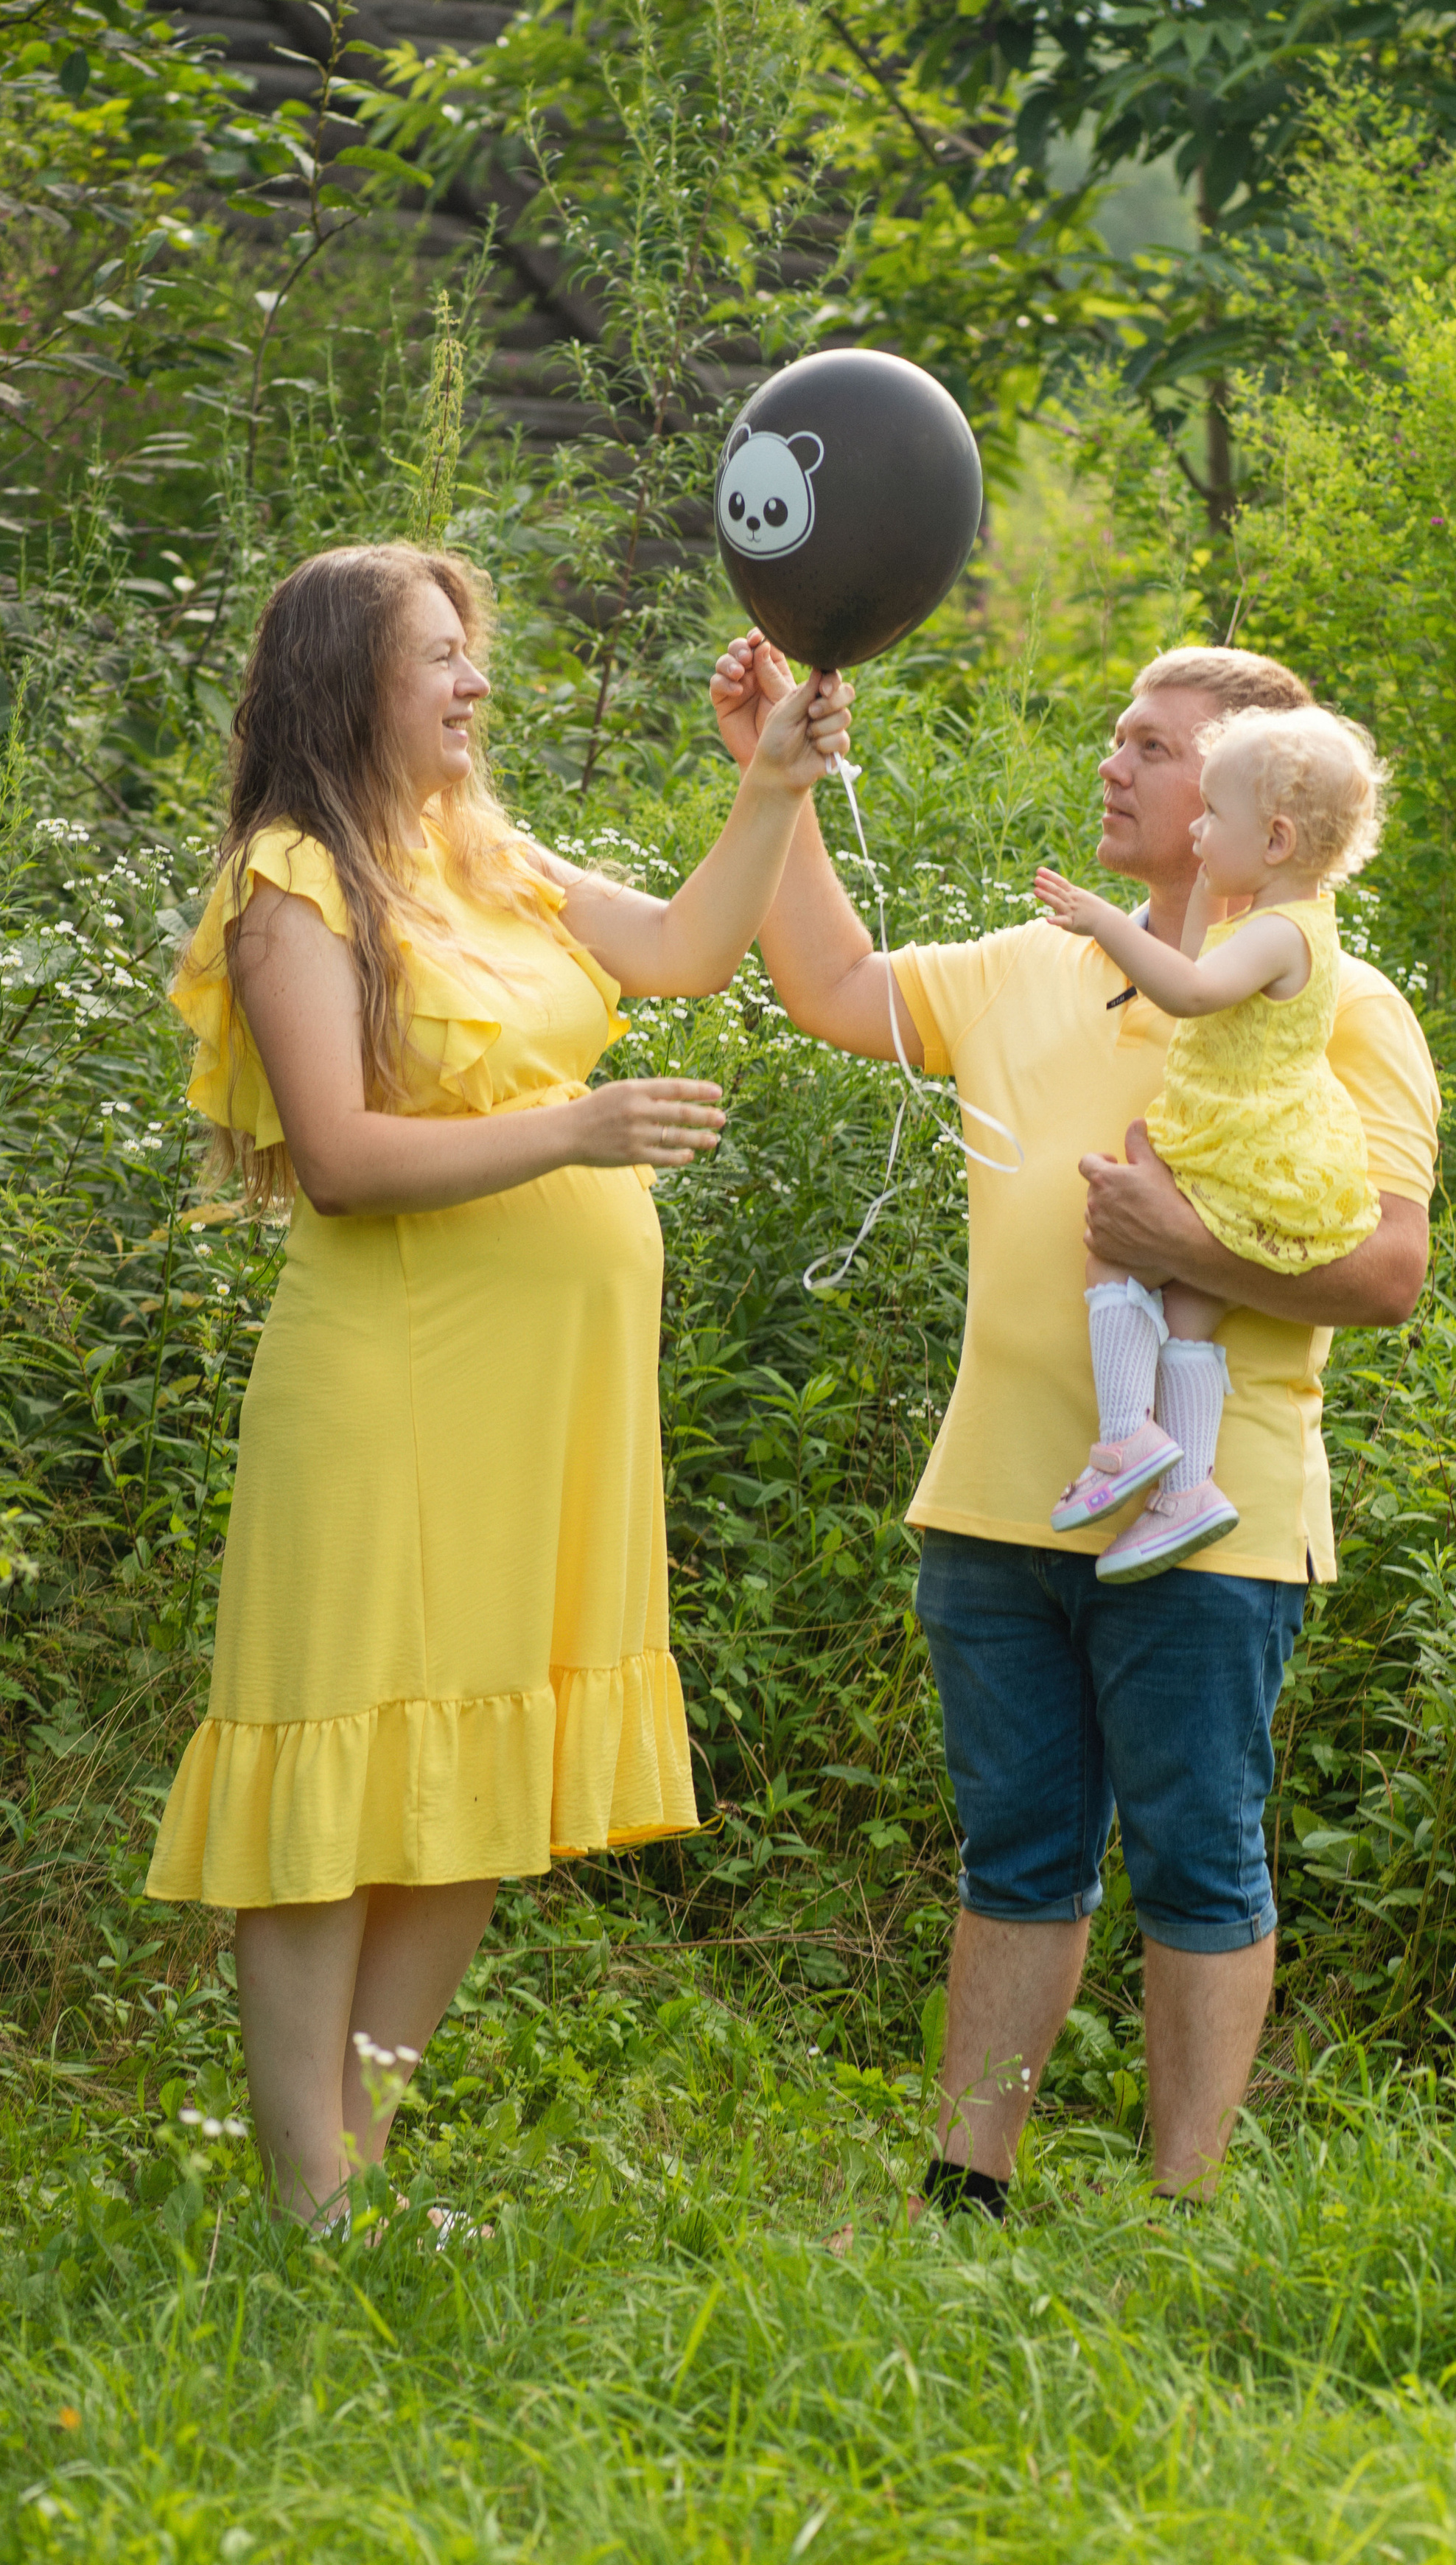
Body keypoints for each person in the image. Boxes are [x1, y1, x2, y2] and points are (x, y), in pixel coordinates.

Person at [146, 543, 852, 2229]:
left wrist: (769, 785)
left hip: (541, 1392)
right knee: (336, 1759)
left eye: (474, 653)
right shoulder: (296, 880)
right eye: (439, 658)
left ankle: (367, 2172)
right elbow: (338, 1153)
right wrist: (579, 1126)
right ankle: (304, 2187)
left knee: (465, 1774)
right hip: (388, 1378)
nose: (474, 683)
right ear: (349, 684)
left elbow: (685, 949)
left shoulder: (483, 853)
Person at [709, 633, 1438, 2208]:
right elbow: (829, 986)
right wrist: (780, 780)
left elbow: (1386, 1271)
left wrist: (1188, 1254)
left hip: (1212, 1515)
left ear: (1255, 802)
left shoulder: (1339, 1000)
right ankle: (966, 2183)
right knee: (1016, 1851)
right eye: (1114, 735)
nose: (1113, 762)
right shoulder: (1027, 965)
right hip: (993, 1503)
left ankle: (1179, 2203)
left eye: (1153, 748)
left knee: (1194, 1852)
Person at [1034, 701, 1388, 1580]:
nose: (1195, 827)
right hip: (1247, 1140)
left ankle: (1124, 1438)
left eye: (1211, 815)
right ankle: (1186, 1487)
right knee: (1191, 1308)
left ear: (1273, 840)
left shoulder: (1277, 932)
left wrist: (1104, 922)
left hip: (1234, 1142)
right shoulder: (1276, 920)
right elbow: (1197, 955)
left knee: (1115, 1251)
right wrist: (1200, 880)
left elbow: (1186, 992)